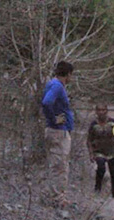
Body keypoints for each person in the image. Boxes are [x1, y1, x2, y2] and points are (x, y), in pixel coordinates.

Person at [41, 61, 74, 206]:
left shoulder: (52, 84)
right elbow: (47, 102)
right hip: (58, 131)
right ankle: (57, 198)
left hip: (58, 131)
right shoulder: (57, 86)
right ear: (68, 74)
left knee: (58, 164)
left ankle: (57, 195)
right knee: (59, 165)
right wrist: (54, 119)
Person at [87, 104, 114, 200]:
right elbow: (89, 140)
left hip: (112, 151)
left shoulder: (112, 123)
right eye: (99, 110)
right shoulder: (94, 125)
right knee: (101, 167)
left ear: (106, 111)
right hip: (99, 151)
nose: (101, 112)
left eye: (103, 110)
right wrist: (91, 153)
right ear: (96, 112)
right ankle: (98, 188)